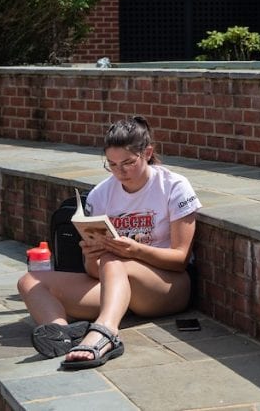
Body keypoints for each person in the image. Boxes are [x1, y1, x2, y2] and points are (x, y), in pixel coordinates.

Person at [17, 116, 201, 370]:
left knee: (114, 260)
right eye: (112, 164)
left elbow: (180, 260)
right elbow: (94, 272)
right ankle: (63, 334)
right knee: (31, 281)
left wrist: (135, 250)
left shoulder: (174, 186)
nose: (119, 172)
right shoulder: (101, 193)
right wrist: (92, 254)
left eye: (127, 163)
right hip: (115, 282)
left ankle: (107, 333)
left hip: (167, 286)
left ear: (147, 153)